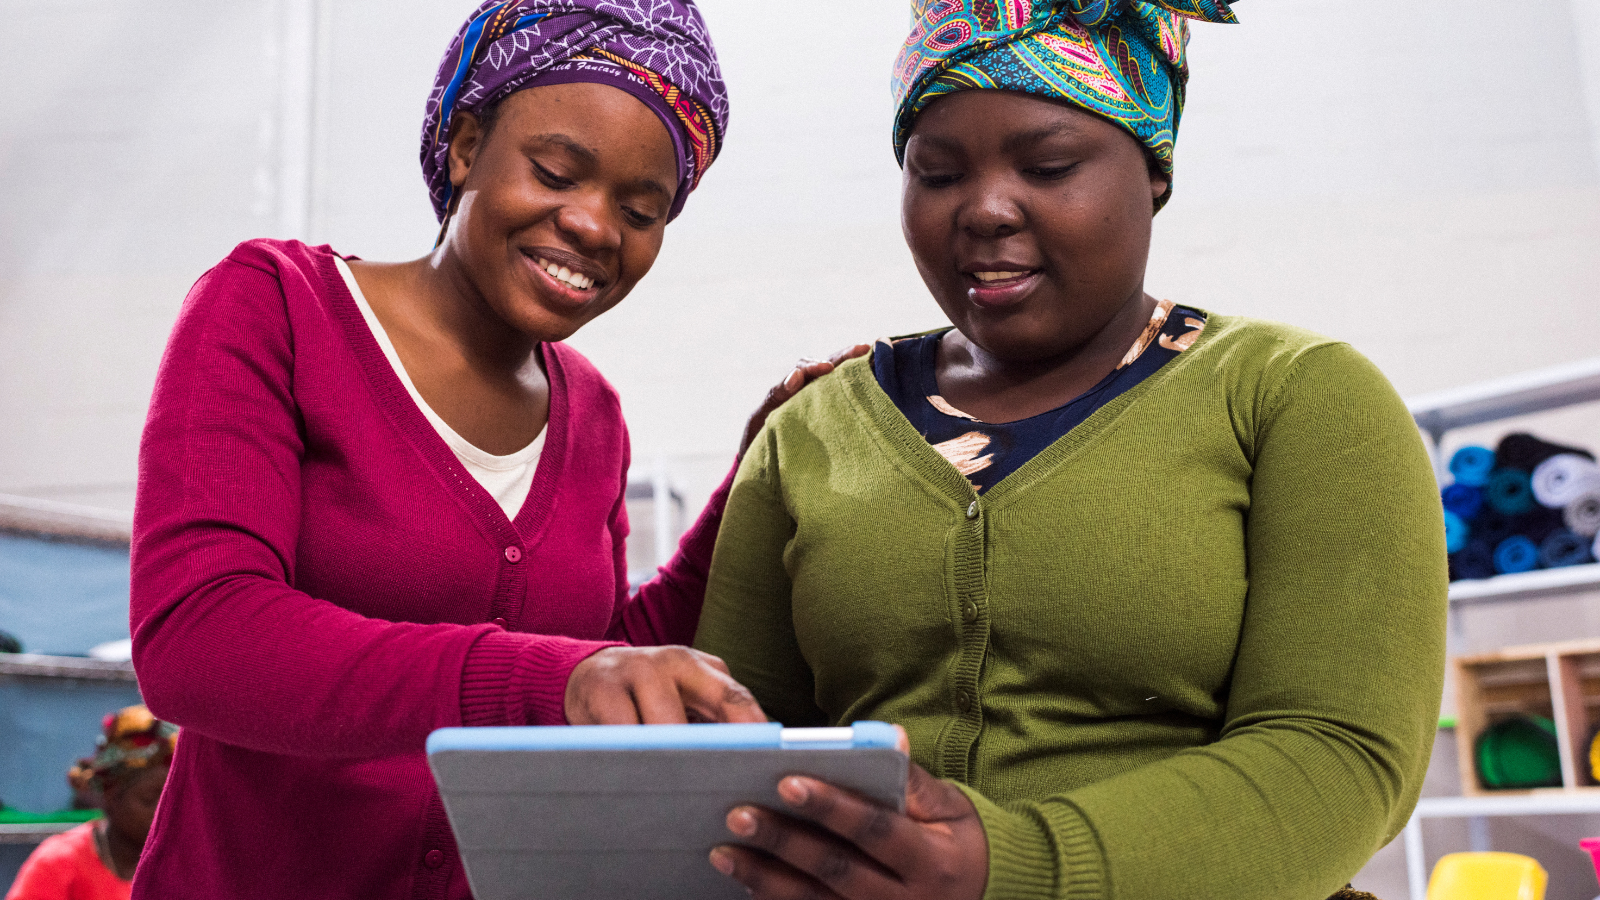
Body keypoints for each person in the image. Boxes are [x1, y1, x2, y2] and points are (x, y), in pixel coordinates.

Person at [693, 2, 1447, 899]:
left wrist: (1005, 866)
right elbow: (733, 758)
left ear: (1154, 170)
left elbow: (1340, 756)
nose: (985, 210)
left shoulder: (1296, 398)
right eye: (936, 174)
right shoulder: (809, 431)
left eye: (1048, 167)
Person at [128, 2, 862, 897]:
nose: (596, 227)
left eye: (642, 210)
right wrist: (555, 678)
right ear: (468, 143)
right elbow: (201, 640)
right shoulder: (278, 308)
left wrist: (752, 482)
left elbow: (598, 657)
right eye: (557, 171)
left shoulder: (592, 413)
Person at [5, 707, 176, 900]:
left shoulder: (186, 866)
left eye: (173, 802)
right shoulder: (59, 863)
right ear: (111, 795)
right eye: (149, 799)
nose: (164, 813)